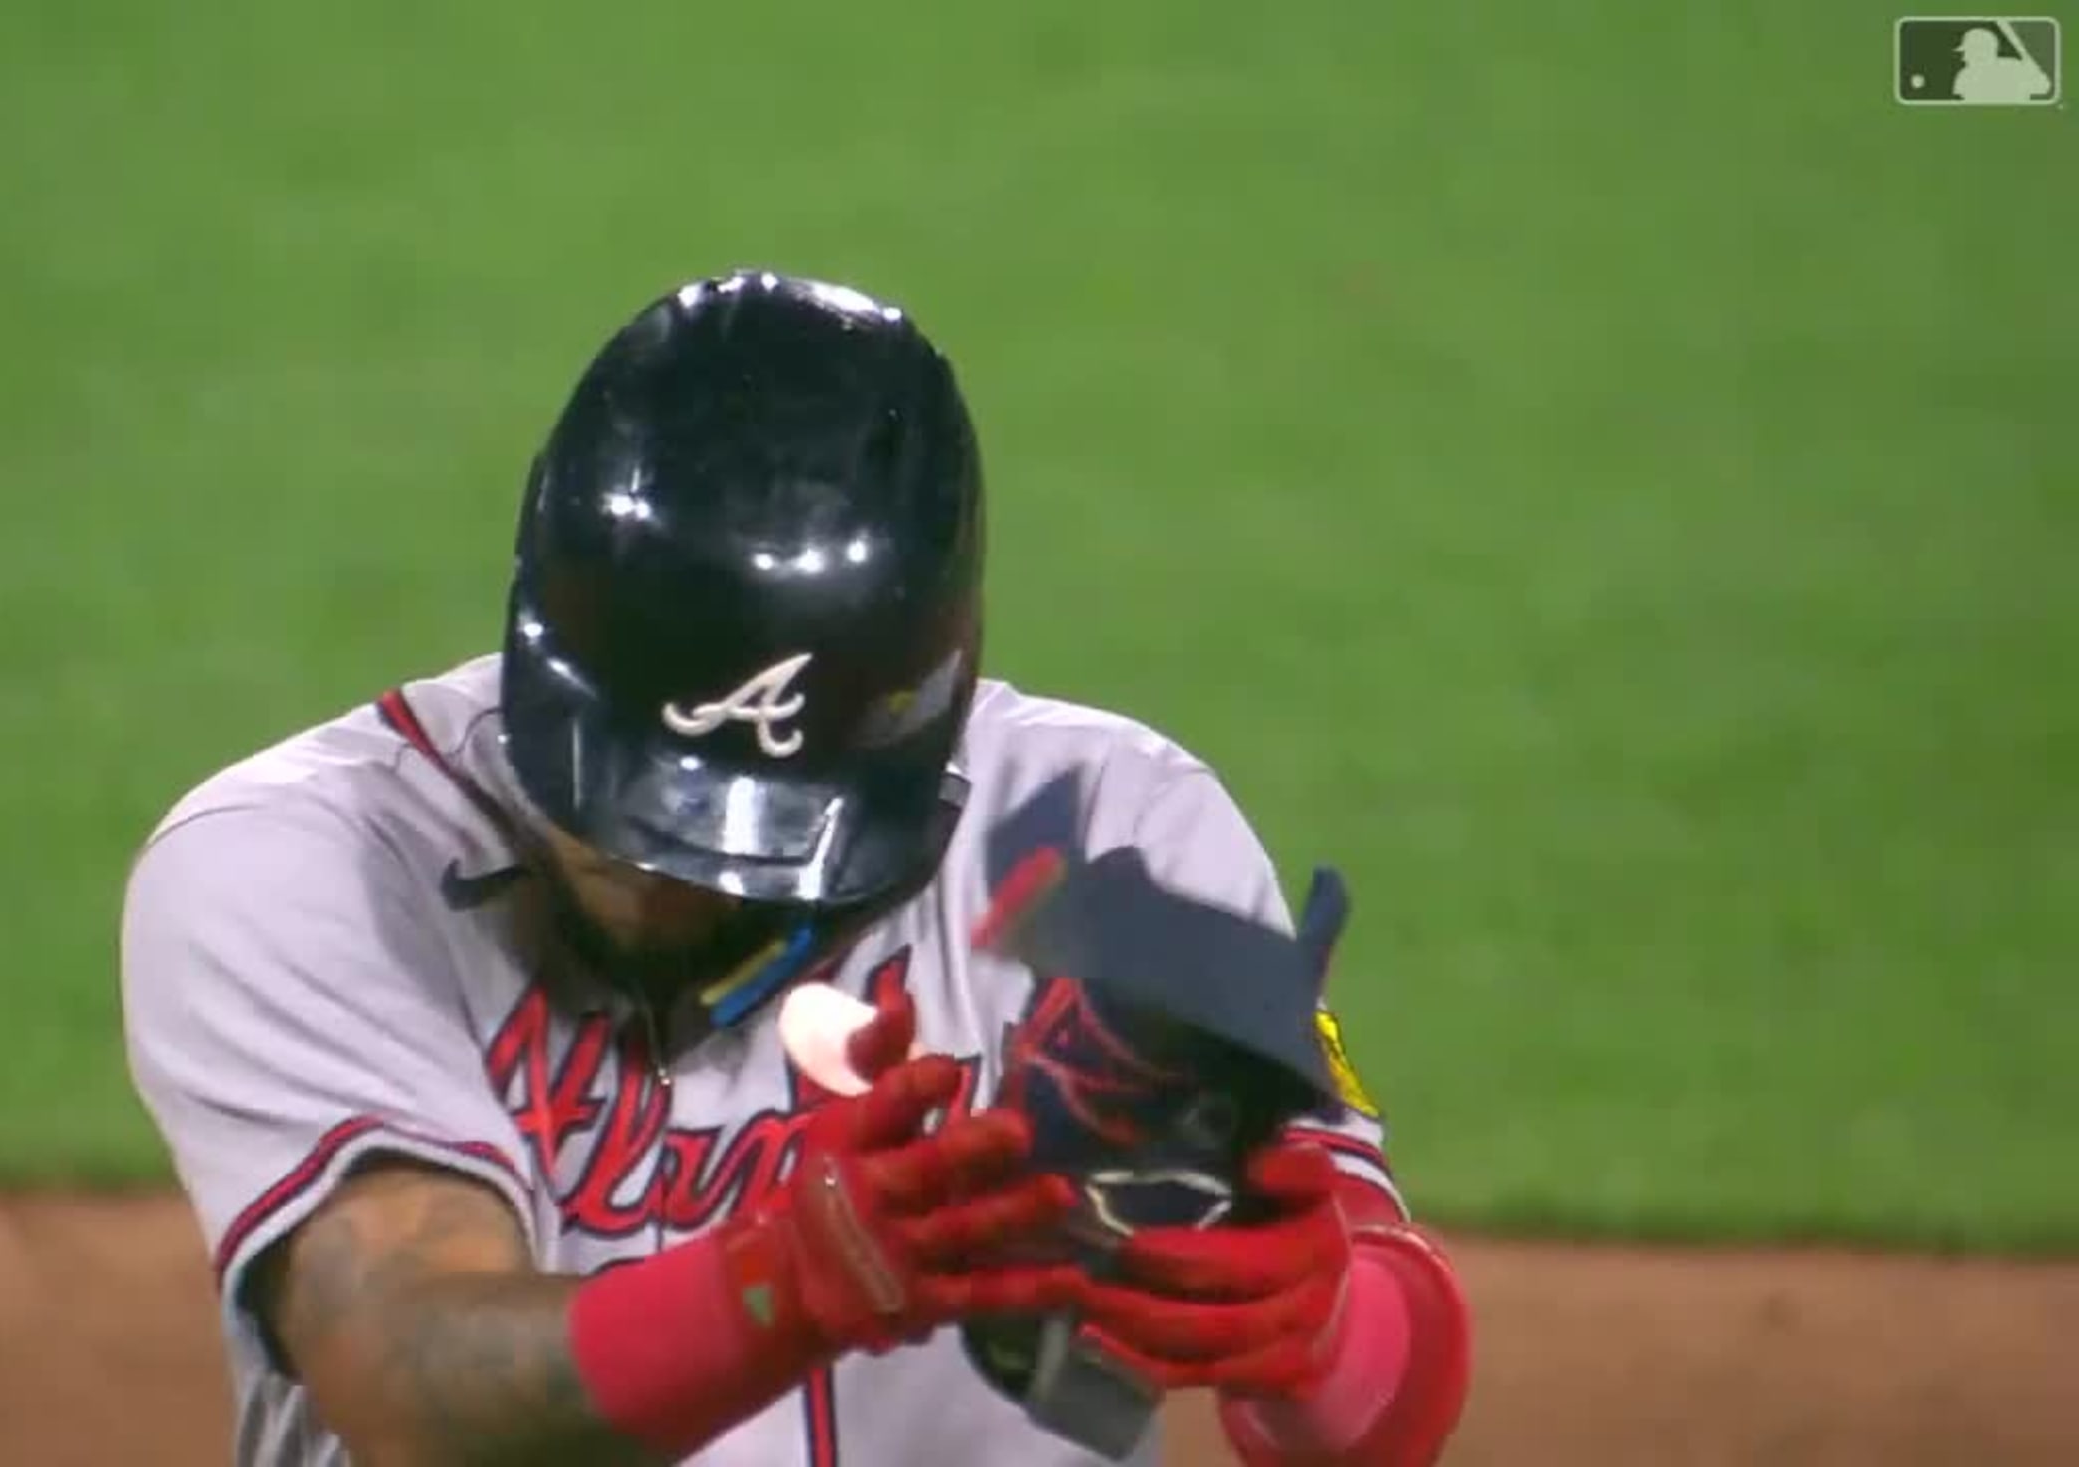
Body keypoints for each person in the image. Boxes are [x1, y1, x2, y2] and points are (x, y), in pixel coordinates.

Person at [119, 269, 1472, 1466]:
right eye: (634, 806)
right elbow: (413, 1383)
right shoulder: (299, 862)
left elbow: (1379, 1419)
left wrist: (1311, 1324)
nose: (667, 882)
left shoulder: (1121, 838)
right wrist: (784, 1283)